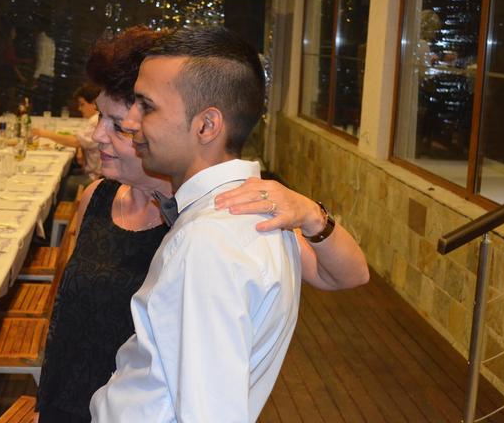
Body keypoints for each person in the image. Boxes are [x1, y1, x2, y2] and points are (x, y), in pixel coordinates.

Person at [37, 27, 368, 422]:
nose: (132, 125)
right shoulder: (202, 219)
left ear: (207, 126)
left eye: (145, 108)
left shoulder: (212, 235)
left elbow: (208, 411)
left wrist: (312, 214)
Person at [32, 83, 101, 198]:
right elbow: (82, 140)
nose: (79, 108)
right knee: (64, 173)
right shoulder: (96, 119)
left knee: (59, 184)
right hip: (93, 171)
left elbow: (75, 141)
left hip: (96, 177)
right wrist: (80, 149)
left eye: (82, 104)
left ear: (94, 104)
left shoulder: (96, 120)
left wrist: (44, 133)